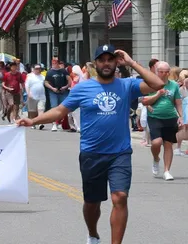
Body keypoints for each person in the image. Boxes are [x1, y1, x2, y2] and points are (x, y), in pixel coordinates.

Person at [17, 45, 164, 244]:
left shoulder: (126, 85)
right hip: (92, 154)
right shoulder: (83, 88)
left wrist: (131, 62)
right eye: (102, 60)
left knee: (120, 197)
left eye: (110, 59)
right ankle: (93, 233)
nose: (106, 63)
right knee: (92, 203)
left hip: (119, 154)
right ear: (95, 64)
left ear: (115, 62)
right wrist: (32, 121)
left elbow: (157, 83)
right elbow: (60, 111)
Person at [141, 61, 182, 180]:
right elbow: (144, 101)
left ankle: (166, 171)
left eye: (166, 72)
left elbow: (178, 102)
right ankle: (156, 158)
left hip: (170, 117)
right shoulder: (150, 84)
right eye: (161, 72)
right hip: (155, 117)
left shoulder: (173, 85)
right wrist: (158, 94)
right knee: (156, 142)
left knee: (168, 144)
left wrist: (181, 116)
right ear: (156, 71)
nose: (163, 74)